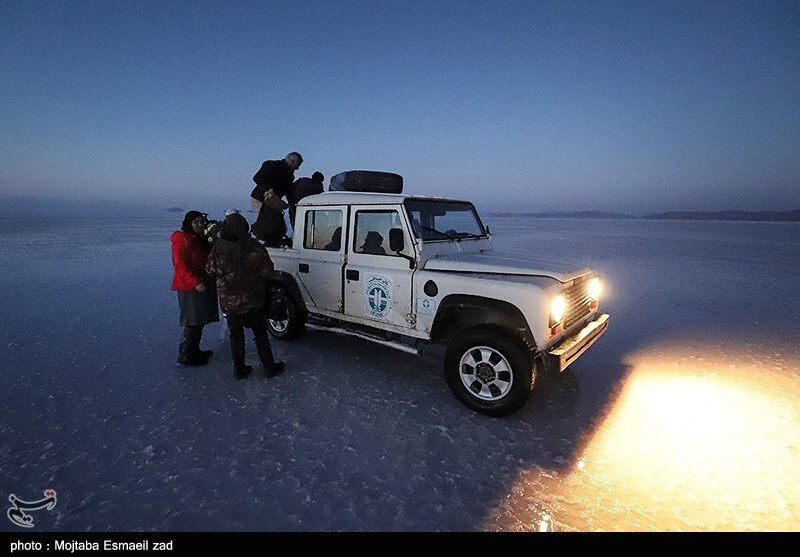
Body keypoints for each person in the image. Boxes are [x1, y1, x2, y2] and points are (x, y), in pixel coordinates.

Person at [206, 213, 285, 379]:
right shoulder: (253, 246)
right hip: (253, 300)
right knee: (260, 334)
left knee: (236, 335)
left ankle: (239, 369)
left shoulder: (218, 247)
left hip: (229, 303)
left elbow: (210, 270)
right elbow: (267, 270)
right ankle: (269, 367)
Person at [171, 211, 220, 366]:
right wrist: (195, 283)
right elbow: (180, 265)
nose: (199, 225)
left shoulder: (199, 239)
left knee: (199, 321)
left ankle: (194, 350)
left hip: (201, 284)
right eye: (195, 222)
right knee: (193, 321)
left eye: (201, 222)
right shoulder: (182, 239)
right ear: (188, 223)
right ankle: (185, 354)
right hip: (190, 287)